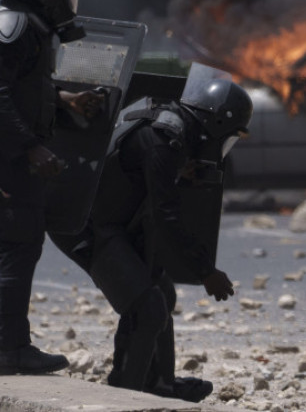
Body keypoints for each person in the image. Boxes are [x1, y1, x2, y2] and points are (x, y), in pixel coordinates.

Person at [51, 71, 253, 401]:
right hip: (88, 227)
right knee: (147, 309)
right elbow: (166, 216)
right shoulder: (166, 138)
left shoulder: (170, 124)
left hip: (107, 221)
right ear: (215, 123)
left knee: (160, 292)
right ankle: (126, 396)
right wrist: (206, 272)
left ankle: (160, 385)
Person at [0, 0, 108, 374]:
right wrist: (31, 147)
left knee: (15, 247)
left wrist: (65, 100)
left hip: (12, 157)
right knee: (17, 247)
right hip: (9, 161)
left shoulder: (25, 22)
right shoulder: (16, 24)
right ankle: (10, 351)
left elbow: (26, 86)